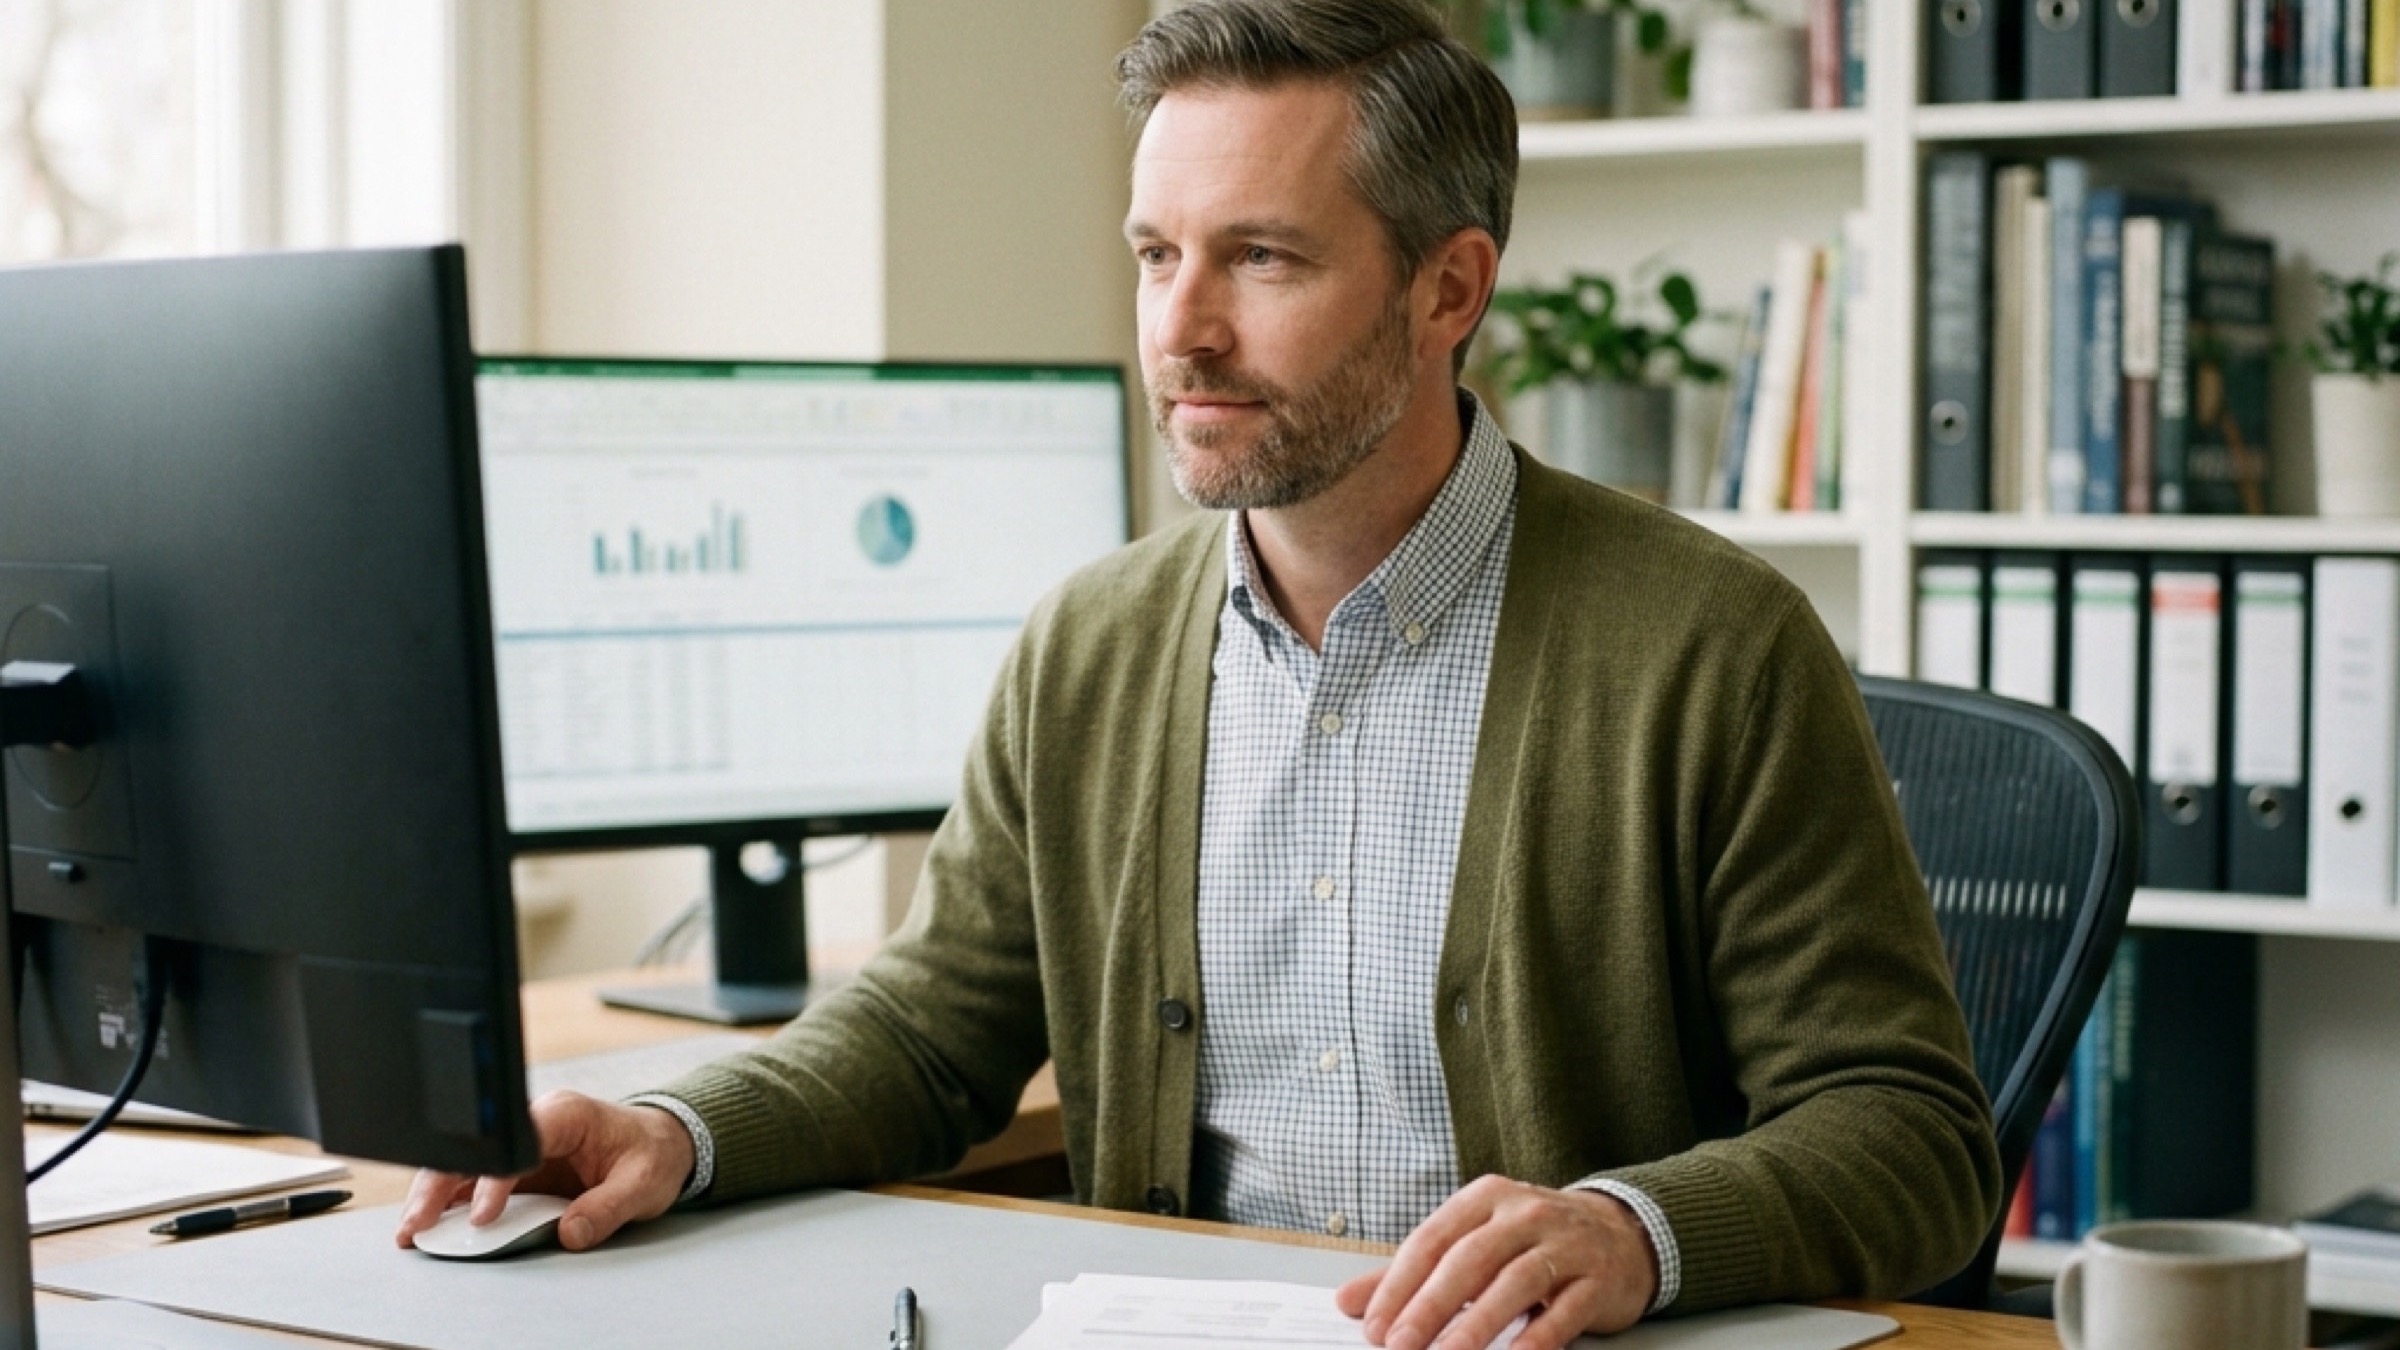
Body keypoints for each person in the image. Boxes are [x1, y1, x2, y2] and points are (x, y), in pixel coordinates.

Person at [398, 2, 2001, 1345]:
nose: (1183, 331)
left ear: (1450, 287)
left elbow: (1914, 1133)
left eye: (1262, 260)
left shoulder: (1711, 645)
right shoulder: (1089, 647)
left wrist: (1633, 1229)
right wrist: (679, 1125)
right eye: (1158, 253)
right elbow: (931, 1031)